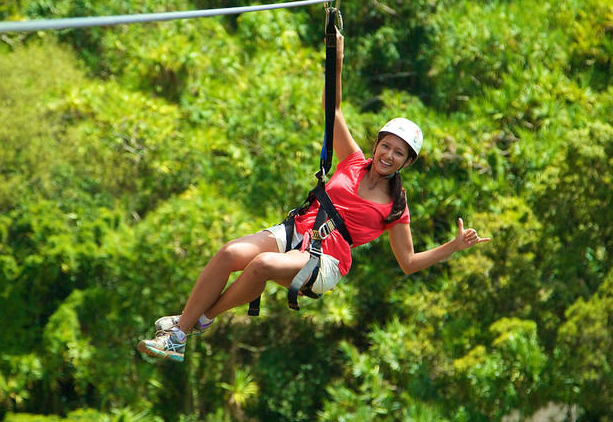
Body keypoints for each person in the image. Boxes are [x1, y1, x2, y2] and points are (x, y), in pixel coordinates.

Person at [138, 28, 490, 362]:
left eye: (399, 153)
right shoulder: (352, 161)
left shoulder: (396, 207)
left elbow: (408, 263)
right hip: (295, 232)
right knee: (230, 253)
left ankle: (191, 325)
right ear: (376, 144)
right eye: (386, 146)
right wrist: (335, 56)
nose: (388, 155)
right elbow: (332, 110)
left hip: (326, 261)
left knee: (261, 265)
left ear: (407, 162)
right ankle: (182, 330)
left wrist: (453, 247)